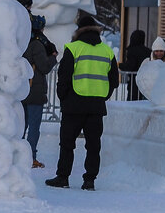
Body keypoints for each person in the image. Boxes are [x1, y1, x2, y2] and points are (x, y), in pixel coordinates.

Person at [46, 14, 118, 191]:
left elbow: (64, 76)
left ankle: (63, 177)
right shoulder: (107, 52)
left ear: (78, 31)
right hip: (96, 106)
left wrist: (63, 96)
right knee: (93, 146)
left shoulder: (73, 48)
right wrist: (103, 95)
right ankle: (89, 180)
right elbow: (114, 80)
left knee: (67, 143)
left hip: (73, 104)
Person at [22, 13, 57, 169]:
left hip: (22, 89)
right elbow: (43, 66)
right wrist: (53, 58)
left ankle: (17, 155)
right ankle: (30, 157)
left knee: (21, 125)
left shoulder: (23, 42)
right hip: (34, 91)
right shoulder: (37, 44)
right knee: (34, 127)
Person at [119, 29, 151, 101]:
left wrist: (119, 65)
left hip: (134, 83)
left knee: (132, 101)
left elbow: (130, 66)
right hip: (146, 82)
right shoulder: (148, 51)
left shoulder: (132, 51)